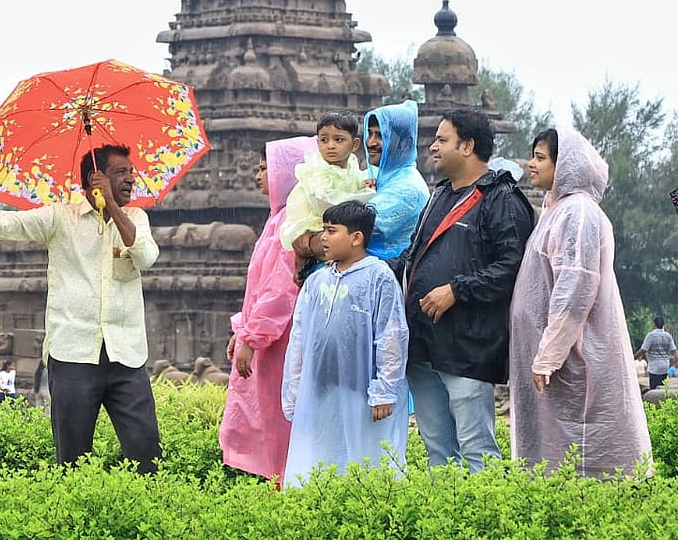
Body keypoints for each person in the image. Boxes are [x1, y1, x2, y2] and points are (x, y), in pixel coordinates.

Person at [0, 143, 162, 473]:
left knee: (147, 453)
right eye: (120, 173)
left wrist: (111, 203)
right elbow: (4, 223)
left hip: (127, 356)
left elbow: (146, 257)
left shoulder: (136, 219)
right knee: (73, 460)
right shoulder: (61, 218)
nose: (130, 179)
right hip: (73, 356)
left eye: (131, 173)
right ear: (94, 180)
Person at [392, 108, 535, 472]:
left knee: (476, 448)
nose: (433, 147)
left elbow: (512, 267)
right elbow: (413, 254)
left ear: (468, 145)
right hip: (423, 343)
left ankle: (485, 523)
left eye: (442, 139)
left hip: (468, 347)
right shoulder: (438, 196)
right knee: (437, 451)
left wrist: (457, 289)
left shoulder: (501, 198)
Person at [510, 128, 652, 477]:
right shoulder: (554, 211)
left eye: (541, 157)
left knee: (583, 445)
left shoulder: (579, 213)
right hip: (558, 357)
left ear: (567, 166)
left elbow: (575, 288)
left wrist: (549, 356)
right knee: (558, 449)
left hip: (576, 358)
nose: (531, 164)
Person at [282, 201, 409, 485]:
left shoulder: (378, 277)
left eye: (331, 231)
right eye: (323, 231)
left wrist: (384, 390)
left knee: (363, 456)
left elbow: (391, 335)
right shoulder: (318, 280)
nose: (323, 238)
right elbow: (300, 336)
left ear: (356, 238)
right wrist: (294, 387)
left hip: (360, 390)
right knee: (321, 452)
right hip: (321, 386)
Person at [219, 135, 316, 485]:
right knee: (267, 417)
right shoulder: (277, 219)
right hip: (267, 338)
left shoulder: (291, 221)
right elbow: (258, 288)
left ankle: (284, 488)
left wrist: (252, 337)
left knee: (278, 417)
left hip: (279, 341)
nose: (258, 175)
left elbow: (280, 291)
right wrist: (242, 330)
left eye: (265, 168)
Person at [279, 111, 374, 283]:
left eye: (338, 140)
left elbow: (355, 184)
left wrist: (367, 186)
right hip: (312, 222)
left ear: (354, 144)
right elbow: (322, 201)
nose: (330, 146)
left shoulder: (353, 167)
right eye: (324, 140)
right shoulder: (315, 170)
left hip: (340, 226)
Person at [362, 100, 430, 260]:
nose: (371, 143)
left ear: (403, 143)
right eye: (369, 134)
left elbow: (352, 230)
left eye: (380, 136)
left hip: (387, 276)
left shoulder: (407, 188)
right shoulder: (377, 178)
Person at [635, 316, 677, 391]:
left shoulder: (651, 335)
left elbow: (643, 350)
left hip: (654, 367)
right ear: (663, 325)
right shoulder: (668, 336)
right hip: (665, 366)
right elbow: (674, 351)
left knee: (654, 389)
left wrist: (633, 357)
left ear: (654, 324)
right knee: (663, 388)